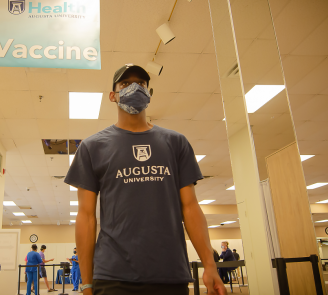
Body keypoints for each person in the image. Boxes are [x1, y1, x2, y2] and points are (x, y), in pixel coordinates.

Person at [65, 64, 227, 295]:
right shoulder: (92, 147)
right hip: (113, 276)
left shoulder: (176, 143)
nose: (134, 88)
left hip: (170, 273)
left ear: (149, 94)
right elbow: (86, 216)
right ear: (113, 95)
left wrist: (209, 265)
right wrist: (87, 283)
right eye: (125, 84)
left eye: (141, 84)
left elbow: (190, 208)